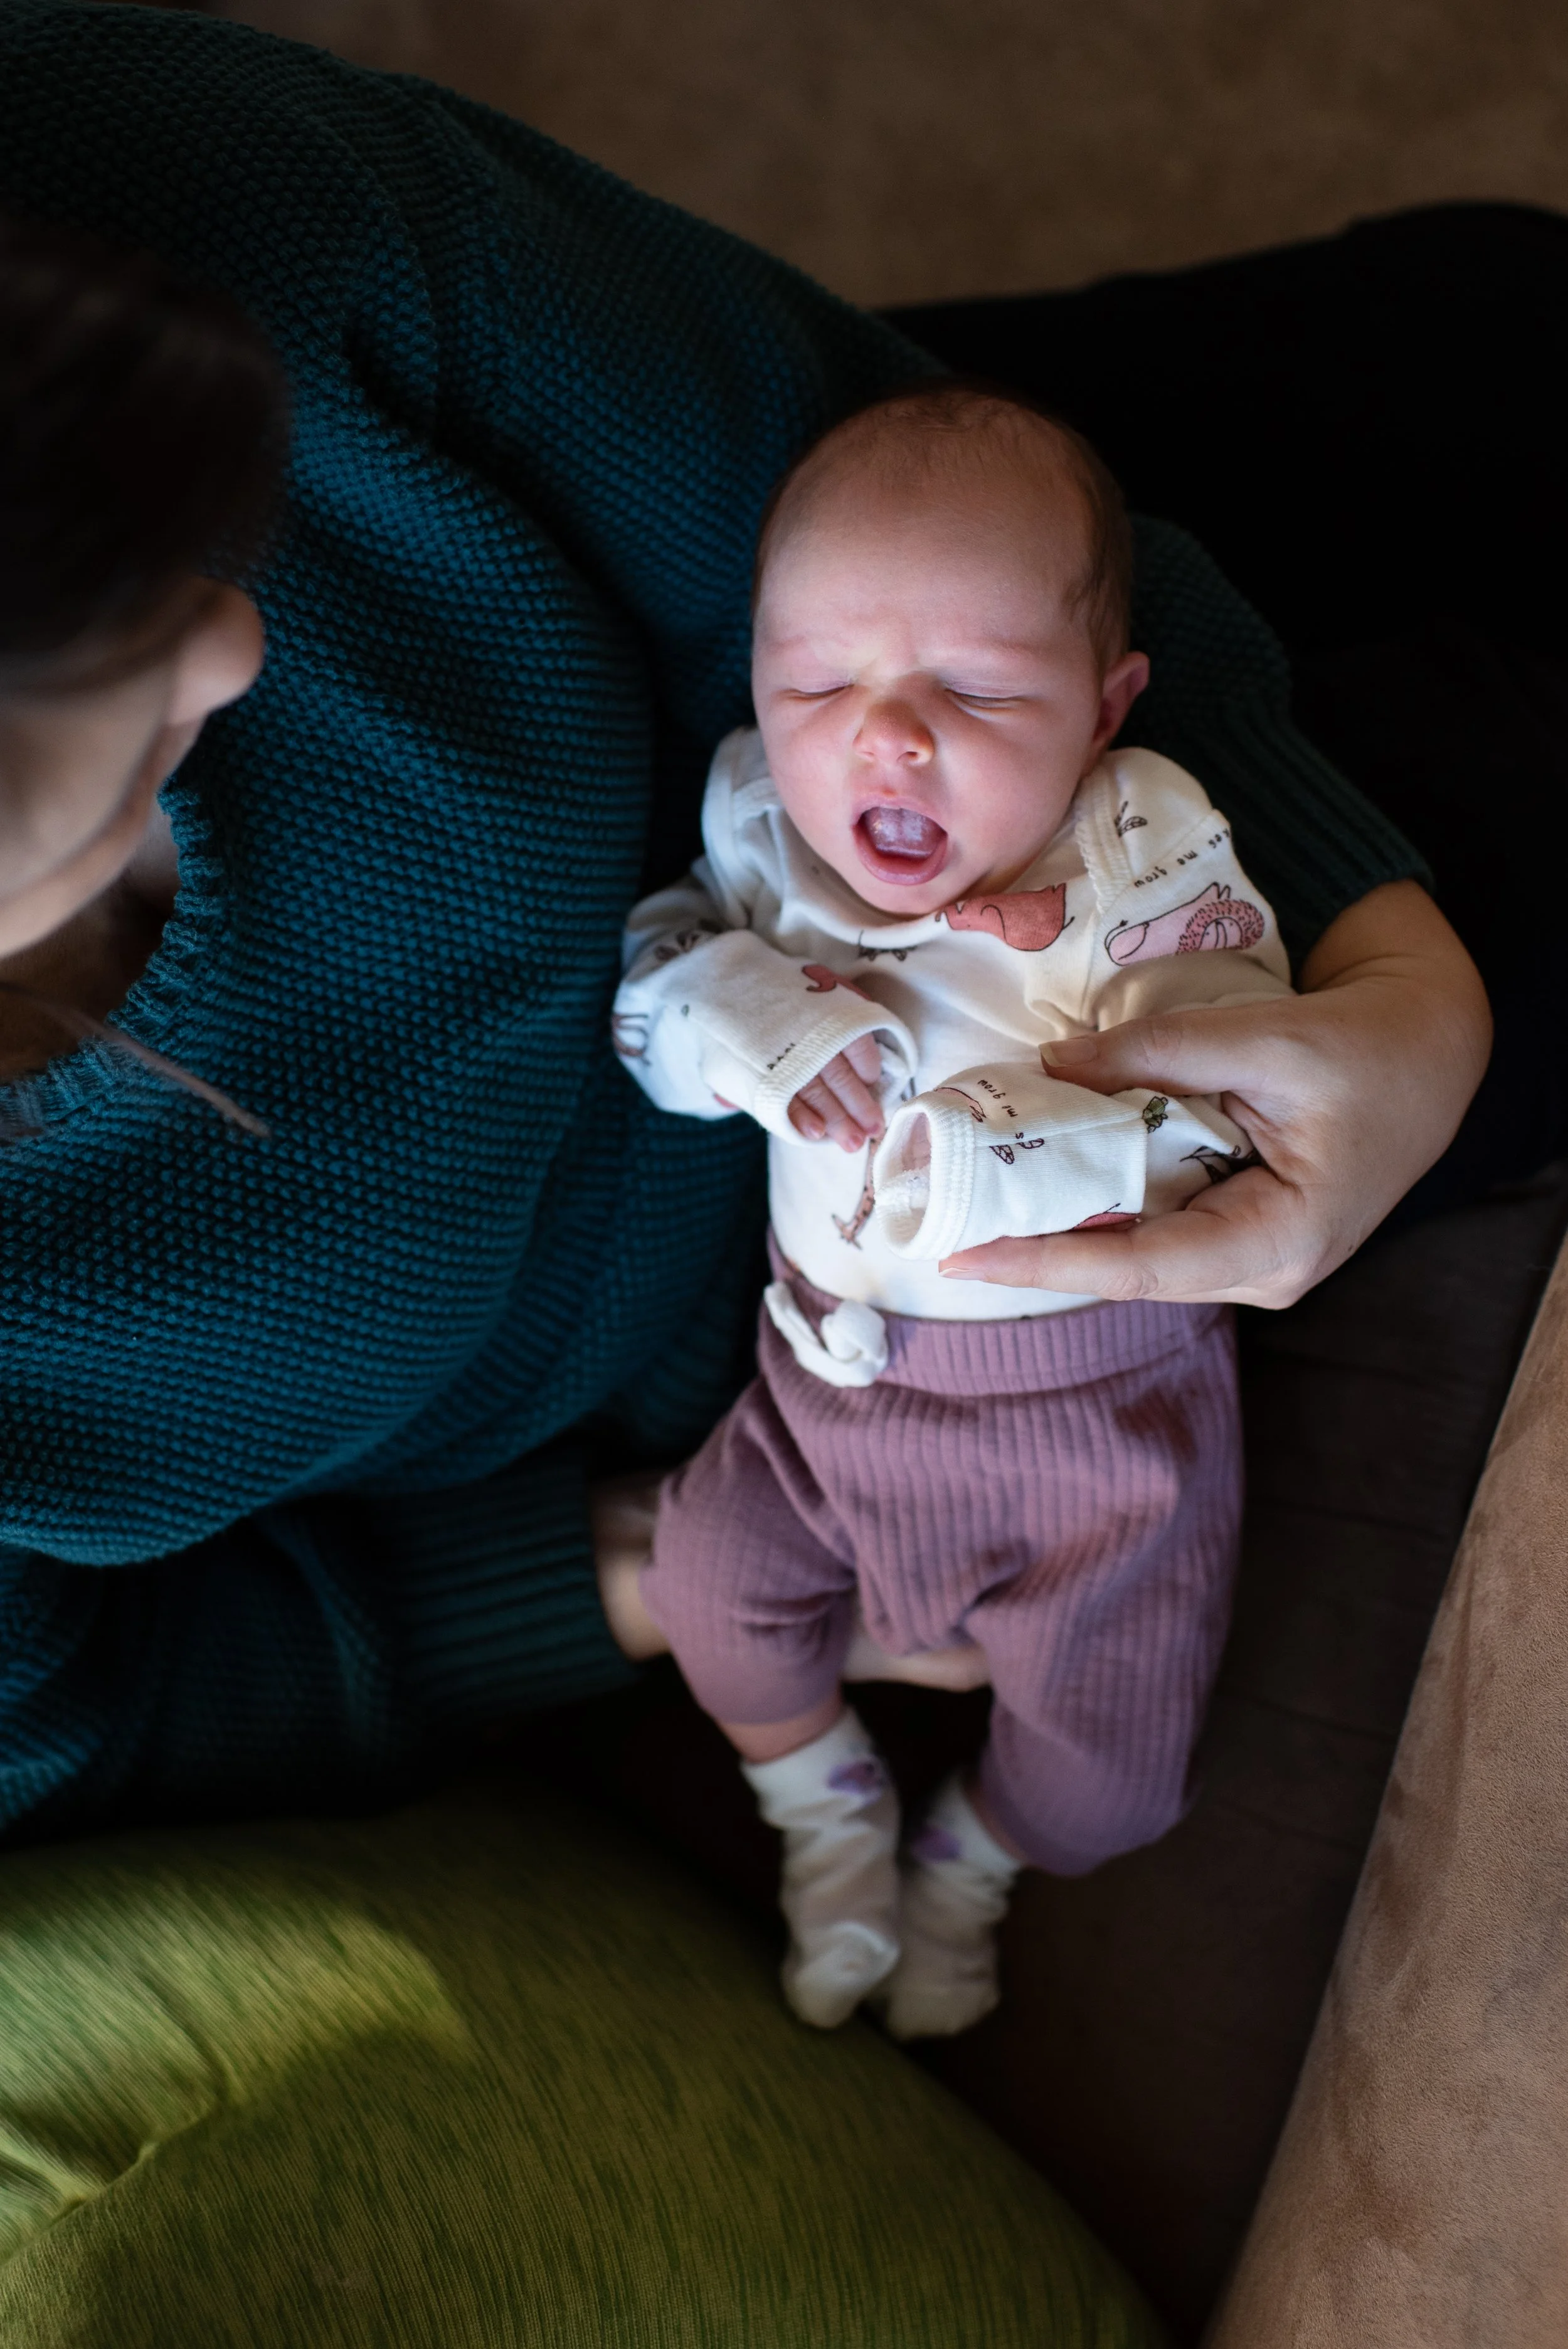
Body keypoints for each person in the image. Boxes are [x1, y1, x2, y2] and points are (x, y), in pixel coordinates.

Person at [0, 1, 1487, 1843]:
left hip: (920, 652)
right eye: (100, 693)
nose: (243, 640)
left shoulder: (134, 168)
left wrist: (1396, 969)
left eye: (171, 508)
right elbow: (100, 1707)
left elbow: (844, 469)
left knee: (1484, 334)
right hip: (773, 1386)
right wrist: (652, 1563)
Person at [615, 386, 1295, 2036]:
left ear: (1103, 705)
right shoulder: (765, 838)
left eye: (977, 688)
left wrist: (1005, 1146)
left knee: (1111, 1789)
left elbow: (1235, 1105)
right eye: (817, 682)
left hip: (1101, 1433)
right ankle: (821, 1810)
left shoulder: (1137, 856)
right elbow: (649, 988)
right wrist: (736, 1015)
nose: (887, 736)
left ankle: (972, 1854)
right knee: (708, 1587)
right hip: (823, 1398)